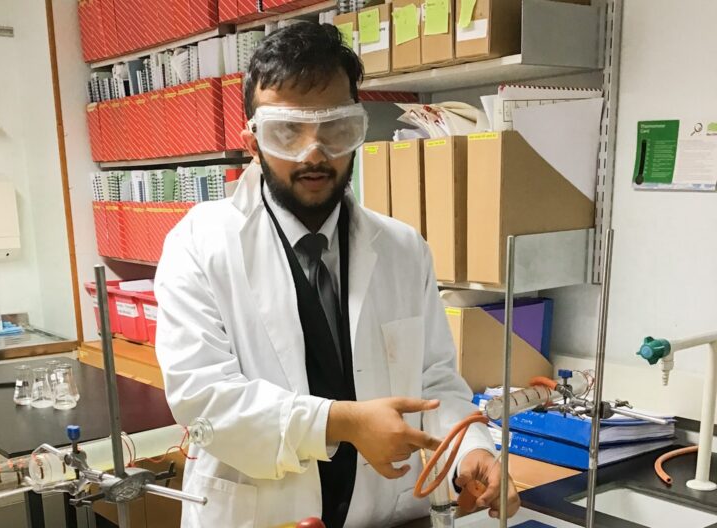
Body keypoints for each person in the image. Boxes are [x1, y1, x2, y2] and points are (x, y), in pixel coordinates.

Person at [155, 21, 520, 528]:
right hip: (263, 516)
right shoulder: (199, 245)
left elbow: (434, 378)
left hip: (388, 514)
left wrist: (467, 448)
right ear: (252, 142)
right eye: (288, 131)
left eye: (335, 129)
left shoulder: (402, 248)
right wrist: (341, 423)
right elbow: (204, 403)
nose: (314, 153)